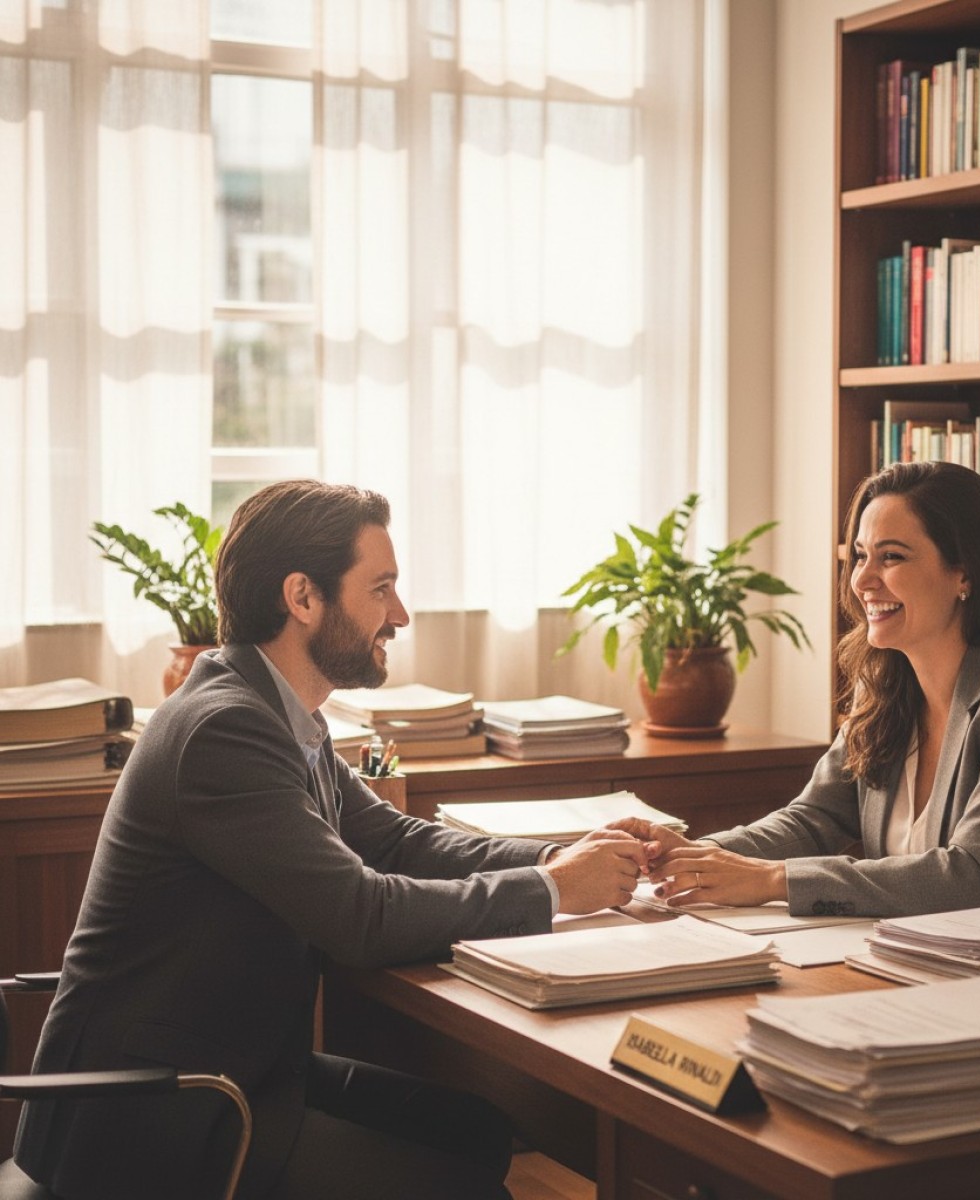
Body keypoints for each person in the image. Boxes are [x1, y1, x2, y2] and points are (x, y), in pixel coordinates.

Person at [14, 480, 648, 1200]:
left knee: (474, 1132)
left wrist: (556, 858)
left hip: (241, 1071)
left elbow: (395, 842)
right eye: (381, 589)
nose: (400, 615)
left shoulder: (278, 712)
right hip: (156, 1114)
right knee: (469, 1191)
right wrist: (558, 891)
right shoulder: (224, 728)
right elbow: (360, 916)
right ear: (303, 598)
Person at [614, 460, 980, 918]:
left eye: (891, 557)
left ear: (964, 572)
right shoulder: (884, 681)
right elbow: (813, 819)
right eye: (860, 556)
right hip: (923, 955)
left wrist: (771, 880)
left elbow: (972, 875)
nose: (862, 580)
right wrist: (693, 853)